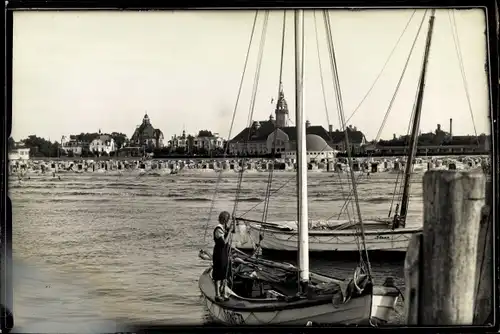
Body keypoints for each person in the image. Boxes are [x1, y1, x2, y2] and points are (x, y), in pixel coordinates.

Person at [213, 211, 232, 302]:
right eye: (227, 220)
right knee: (218, 273)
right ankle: (217, 294)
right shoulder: (218, 229)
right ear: (225, 220)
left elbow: (233, 231)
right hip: (219, 253)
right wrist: (229, 232)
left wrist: (233, 226)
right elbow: (223, 242)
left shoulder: (224, 228)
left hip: (224, 253)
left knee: (225, 272)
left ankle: (224, 293)